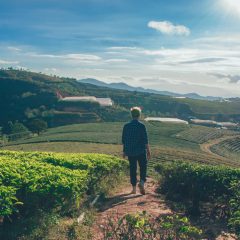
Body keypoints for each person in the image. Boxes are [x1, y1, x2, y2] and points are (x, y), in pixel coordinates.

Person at [122, 107, 151, 195]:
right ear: (139, 115)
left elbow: (124, 140)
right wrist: (148, 151)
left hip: (130, 151)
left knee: (133, 169)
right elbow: (145, 140)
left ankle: (134, 189)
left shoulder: (126, 126)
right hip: (141, 151)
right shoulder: (142, 126)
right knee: (143, 167)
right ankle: (142, 182)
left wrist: (124, 151)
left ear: (131, 115)